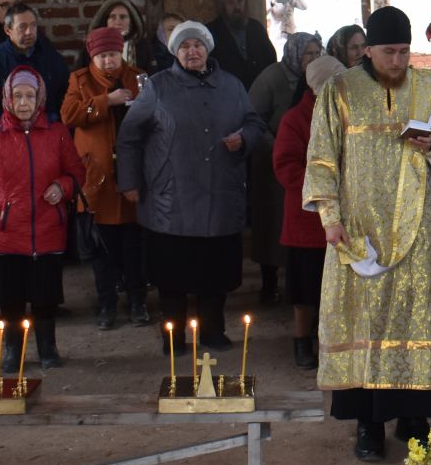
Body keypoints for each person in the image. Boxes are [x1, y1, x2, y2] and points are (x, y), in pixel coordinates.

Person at [303, 5, 431, 462]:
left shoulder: (428, 84)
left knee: (418, 316)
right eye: (388, 52)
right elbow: (321, 157)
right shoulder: (339, 91)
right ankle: (368, 424)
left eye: (403, 51)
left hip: (420, 224)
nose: (397, 61)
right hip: (360, 227)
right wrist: (330, 220)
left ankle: (414, 418)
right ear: (368, 50)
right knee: (367, 321)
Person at [116, 20, 269, 350]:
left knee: (214, 276)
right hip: (171, 201)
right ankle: (173, 337)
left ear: (208, 48)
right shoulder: (158, 87)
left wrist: (243, 138)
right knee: (172, 278)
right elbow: (129, 136)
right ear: (175, 52)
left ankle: (213, 331)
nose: (192, 51)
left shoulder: (231, 86)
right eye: (184, 46)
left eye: (197, 45)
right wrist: (130, 181)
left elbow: (254, 123)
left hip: (220, 196)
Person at [0, 67, 85, 369]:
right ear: (7, 97)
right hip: (6, 233)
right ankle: (12, 352)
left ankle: (48, 349)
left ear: (40, 98)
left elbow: (76, 172)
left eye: (29, 96)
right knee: (11, 299)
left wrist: (63, 186)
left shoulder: (56, 133)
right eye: (17, 95)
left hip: (47, 229)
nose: (23, 102)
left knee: (46, 297)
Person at [61, 26, 149, 329]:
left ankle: (138, 302)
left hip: (131, 175)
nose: (109, 61)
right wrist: (105, 102)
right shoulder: (80, 80)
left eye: (113, 54)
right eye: (102, 56)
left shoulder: (137, 77)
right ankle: (107, 305)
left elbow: (154, 114)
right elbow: (68, 115)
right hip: (96, 178)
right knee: (102, 251)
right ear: (92, 56)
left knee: (134, 248)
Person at [271, 53, 345, 369]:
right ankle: (302, 342)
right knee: (305, 291)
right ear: (317, 88)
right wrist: (326, 186)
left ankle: (335, 344)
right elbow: (285, 166)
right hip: (308, 220)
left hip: (344, 218)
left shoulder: (349, 114)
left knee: (340, 292)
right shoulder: (295, 119)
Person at [247, 31, 324, 306]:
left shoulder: (319, 83)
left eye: (318, 54)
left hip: (304, 162)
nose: (314, 59)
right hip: (272, 164)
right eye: (309, 54)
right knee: (271, 227)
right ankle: (269, 285)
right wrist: (276, 143)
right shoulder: (271, 78)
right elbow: (252, 117)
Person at [0, 3, 70, 140]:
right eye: (22, 27)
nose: (29, 32)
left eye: (33, 25)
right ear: (8, 30)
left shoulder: (52, 59)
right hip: (5, 142)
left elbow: (66, 102)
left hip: (47, 141)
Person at [205, 0, 276, 89]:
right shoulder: (211, 31)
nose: (237, 7)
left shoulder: (256, 27)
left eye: (240, 1)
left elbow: (271, 59)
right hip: (227, 92)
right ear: (222, 6)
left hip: (259, 91)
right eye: (230, 2)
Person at [90, 0, 150, 69]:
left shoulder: (143, 46)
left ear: (131, 21)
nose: (118, 22)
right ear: (105, 21)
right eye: (112, 17)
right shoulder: (93, 45)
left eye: (123, 17)